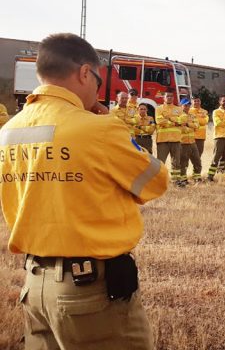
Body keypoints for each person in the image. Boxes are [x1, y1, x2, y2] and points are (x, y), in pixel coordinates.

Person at [1, 33, 168, 348]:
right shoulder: (99, 128)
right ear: (84, 73)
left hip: (35, 286)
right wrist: (115, 128)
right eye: (98, 81)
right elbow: (155, 181)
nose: (97, 90)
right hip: (88, 290)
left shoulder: (8, 132)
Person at [156, 91, 187, 186]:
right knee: (161, 162)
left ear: (173, 98)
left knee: (176, 162)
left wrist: (169, 119)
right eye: (167, 96)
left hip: (176, 139)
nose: (169, 97)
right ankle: (159, 182)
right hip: (163, 140)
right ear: (164, 98)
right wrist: (176, 122)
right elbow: (159, 121)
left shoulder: (178, 109)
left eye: (171, 96)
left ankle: (176, 181)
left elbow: (184, 119)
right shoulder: (159, 108)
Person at [178, 98, 202, 185]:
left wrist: (188, 124)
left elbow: (197, 126)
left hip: (192, 142)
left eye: (188, 105)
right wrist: (191, 128)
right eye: (185, 105)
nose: (187, 107)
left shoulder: (192, 115)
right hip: (183, 143)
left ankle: (197, 178)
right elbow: (182, 129)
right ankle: (183, 179)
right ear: (181, 106)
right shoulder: (179, 116)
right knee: (183, 163)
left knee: (197, 161)